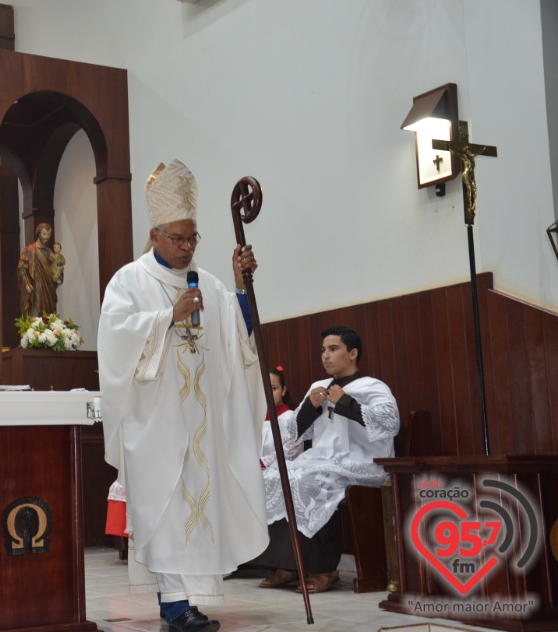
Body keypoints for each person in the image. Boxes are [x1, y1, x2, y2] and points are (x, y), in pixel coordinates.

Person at [98, 159, 267, 632]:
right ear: (155, 235)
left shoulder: (210, 284)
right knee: (165, 509)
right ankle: (174, 606)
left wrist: (240, 289)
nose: (187, 246)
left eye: (193, 238)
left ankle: (186, 602)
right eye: (178, 238)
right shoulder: (128, 282)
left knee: (200, 505)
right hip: (155, 424)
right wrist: (166, 318)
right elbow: (115, 342)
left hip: (204, 423)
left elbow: (240, 345)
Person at [255, 326, 399, 594]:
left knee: (311, 482)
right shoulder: (318, 387)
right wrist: (310, 406)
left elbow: (390, 424)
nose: (325, 356)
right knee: (274, 477)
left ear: (353, 353)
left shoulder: (372, 386)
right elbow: (294, 432)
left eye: (333, 349)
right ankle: (288, 564)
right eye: (323, 350)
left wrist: (346, 402)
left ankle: (324, 569)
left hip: (361, 463)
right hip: (322, 459)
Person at [259, 366, 303, 469]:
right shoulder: (255, 419)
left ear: (283, 390)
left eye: (273, 388)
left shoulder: (290, 418)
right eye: (263, 389)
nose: (268, 393)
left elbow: (290, 451)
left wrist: (261, 463)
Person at [17, 222, 59, 317]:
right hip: (36, 288)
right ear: (38, 233)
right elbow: (22, 268)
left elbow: (55, 273)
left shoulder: (50, 252)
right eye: (44, 234)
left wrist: (59, 273)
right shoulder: (29, 250)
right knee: (36, 313)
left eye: (48, 235)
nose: (46, 237)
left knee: (49, 316)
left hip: (49, 290)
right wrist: (27, 283)